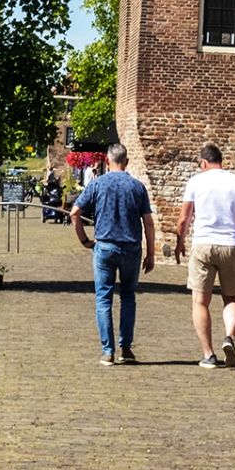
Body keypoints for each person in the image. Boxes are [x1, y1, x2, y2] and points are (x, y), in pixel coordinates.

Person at [69, 143, 155, 366]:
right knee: (128, 297)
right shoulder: (137, 187)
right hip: (131, 247)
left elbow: (75, 213)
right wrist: (151, 253)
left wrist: (85, 240)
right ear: (126, 162)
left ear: (107, 161)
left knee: (103, 298)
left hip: (105, 246)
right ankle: (126, 348)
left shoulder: (97, 184)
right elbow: (148, 222)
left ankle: (108, 351)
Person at [174, 144, 235, 368]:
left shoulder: (195, 182)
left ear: (204, 162)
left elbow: (184, 219)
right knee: (232, 297)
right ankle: (229, 337)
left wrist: (180, 243)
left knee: (200, 301)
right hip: (231, 244)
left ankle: (209, 355)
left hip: (203, 243)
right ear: (221, 160)